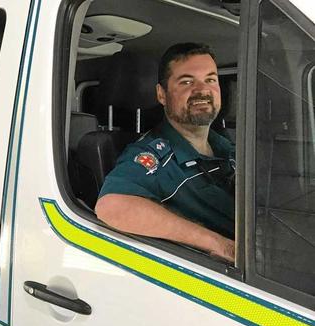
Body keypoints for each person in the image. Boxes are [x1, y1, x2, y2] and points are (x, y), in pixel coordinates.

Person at [95, 43, 235, 263]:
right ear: (162, 94)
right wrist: (218, 244)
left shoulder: (227, 146)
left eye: (210, 79)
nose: (202, 90)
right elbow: (111, 207)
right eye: (187, 81)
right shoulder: (153, 155)